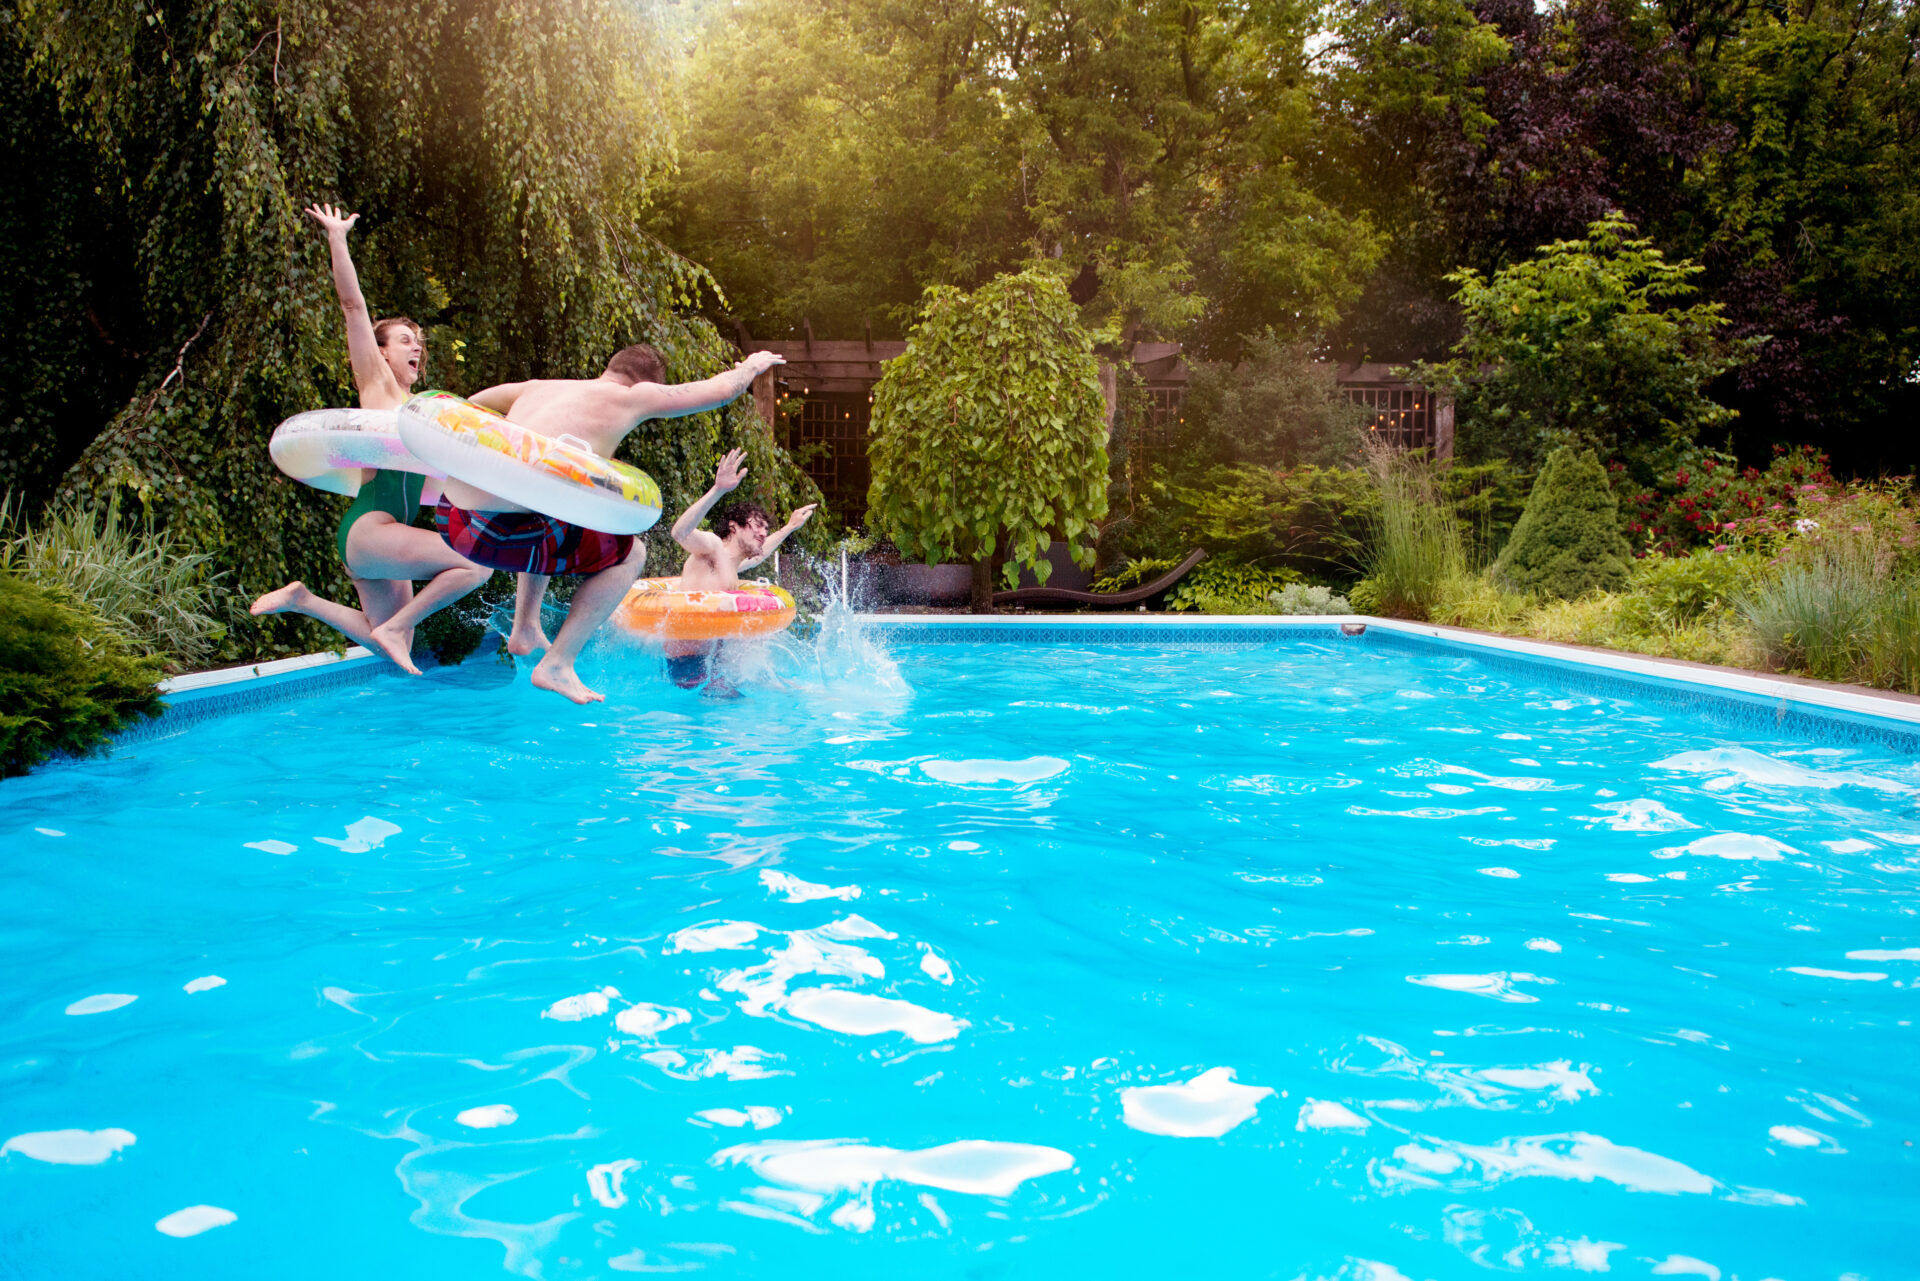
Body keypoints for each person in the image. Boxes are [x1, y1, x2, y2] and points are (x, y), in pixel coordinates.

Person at [442, 345, 785, 704]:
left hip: (457, 520)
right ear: (647, 382)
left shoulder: (539, 386)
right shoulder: (628, 396)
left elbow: (467, 404)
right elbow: (721, 391)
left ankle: (525, 626)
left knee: (552, 504)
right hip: (502, 537)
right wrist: (750, 366)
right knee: (631, 553)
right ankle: (558, 663)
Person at [250, 203, 489, 671]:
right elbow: (353, 306)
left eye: (418, 342)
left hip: (380, 538)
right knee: (476, 564)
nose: (416, 346)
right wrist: (337, 237)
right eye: (404, 340)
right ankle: (397, 624)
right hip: (370, 528)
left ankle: (304, 599)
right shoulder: (378, 388)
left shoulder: (424, 413)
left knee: (388, 642)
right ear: (380, 352)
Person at [664, 448, 817, 696]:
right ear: (734, 527)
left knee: (777, 681)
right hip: (688, 668)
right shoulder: (712, 548)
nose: (763, 533)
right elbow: (679, 533)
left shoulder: (733, 566)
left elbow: (763, 552)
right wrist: (718, 490)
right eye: (758, 526)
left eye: (766, 529)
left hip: (710, 666)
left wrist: (789, 527)